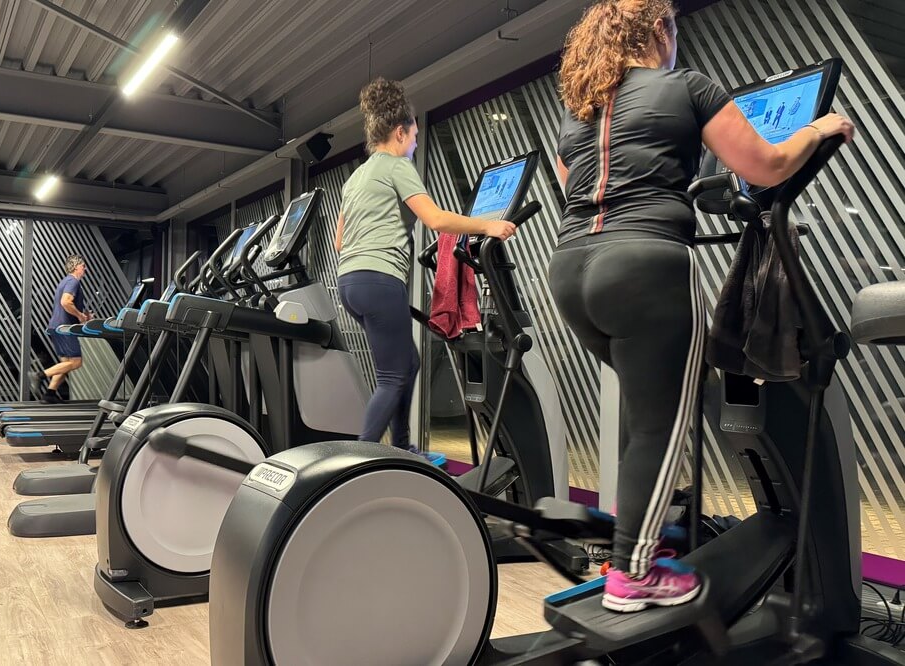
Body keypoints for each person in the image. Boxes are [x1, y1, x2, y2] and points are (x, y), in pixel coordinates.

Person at [549, 0, 854, 613]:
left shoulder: (579, 115)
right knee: (661, 426)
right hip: (648, 265)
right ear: (661, 31)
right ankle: (633, 574)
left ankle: (638, 544)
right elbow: (766, 164)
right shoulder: (688, 87)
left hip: (570, 270)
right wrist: (820, 129)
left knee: (644, 411)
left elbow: (573, 189)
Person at [334, 76, 517, 465]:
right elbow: (434, 219)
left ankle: (402, 445)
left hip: (350, 282)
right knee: (392, 376)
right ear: (400, 133)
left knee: (409, 363)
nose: (415, 145)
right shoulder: (397, 166)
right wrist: (488, 226)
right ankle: (354, 462)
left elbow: (339, 241)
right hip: (380, 279)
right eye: (415, 137)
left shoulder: (355, 178)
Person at [32, 254, 92, 404]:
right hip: (65, 328)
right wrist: (80, 316)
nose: (85, 268)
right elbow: (66, 302)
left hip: (57, 327)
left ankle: (50, 394)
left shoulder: (65, 281)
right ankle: (39, 375)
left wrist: (83, 314)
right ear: (76, 267)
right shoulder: (73, 281)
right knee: (76, 362)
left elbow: (67, 304)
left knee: (65, 365)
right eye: (83, 266)